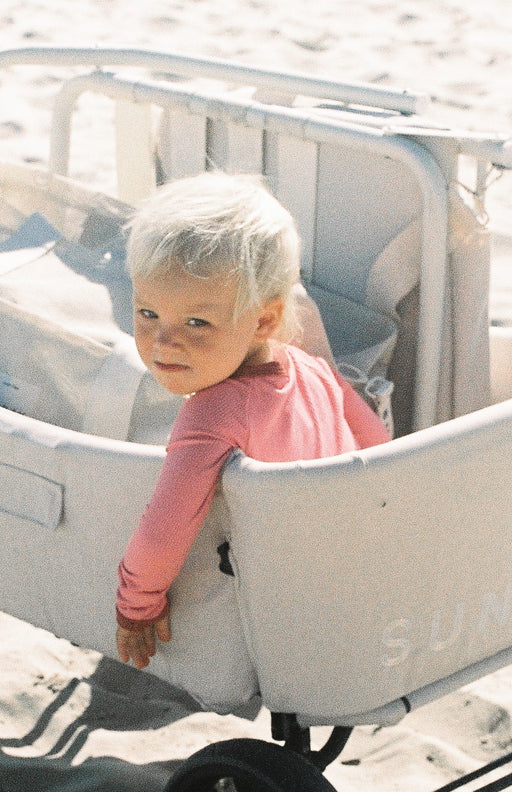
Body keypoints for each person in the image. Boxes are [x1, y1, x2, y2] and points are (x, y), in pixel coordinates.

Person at [115, 173, 390, 670]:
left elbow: (163, 531)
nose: (163, 341)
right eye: (147, 312)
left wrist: (137, 606)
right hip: (341, 570)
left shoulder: (214, 412)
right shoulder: (313, 368)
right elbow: (379, 445)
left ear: (263, 320)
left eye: (197, 322)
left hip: (273, 598)